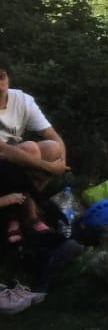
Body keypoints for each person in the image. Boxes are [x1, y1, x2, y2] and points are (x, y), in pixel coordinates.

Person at [0, 62, 67, 247]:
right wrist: (50, 167)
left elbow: (53, 136)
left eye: (1, 75)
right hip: (3, 162)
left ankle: (21, 208)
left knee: (53, 148)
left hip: (14, 162)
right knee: (30, 149)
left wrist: (62, 162)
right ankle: (26, 215)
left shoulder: (22, 100)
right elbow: (5, 150)